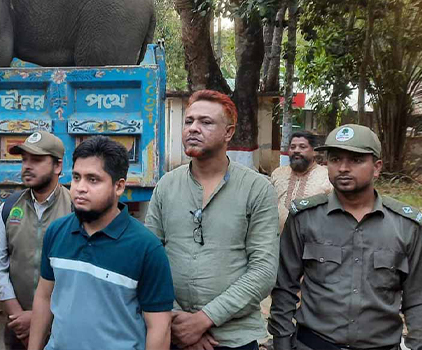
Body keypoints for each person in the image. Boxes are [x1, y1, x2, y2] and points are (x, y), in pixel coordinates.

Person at [145, 90, 279, 350]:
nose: (193, 128)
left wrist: (204, 319)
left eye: (206, 122)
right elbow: (150, 258)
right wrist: (178, 321)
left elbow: (263, 271)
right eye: (189, 121)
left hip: (234, 338)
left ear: (228, 133)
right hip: (171, 332)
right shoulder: (166, 186)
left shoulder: (257, 188)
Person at [268, 124, 421, 350]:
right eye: (335, 159)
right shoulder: (305, 218)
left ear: (377, 167)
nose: (343, 168)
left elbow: (417, 298)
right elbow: (284, 287)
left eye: (356, 160)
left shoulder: (405, 226)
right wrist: (282, 342)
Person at [28, 136, 175, 350]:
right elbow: (43, 297)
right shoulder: (57, 232)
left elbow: (159, 328)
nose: (80, 188)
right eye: (77, 177)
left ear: (119, 186)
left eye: (93, 180)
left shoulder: (146, 248)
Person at [0, 130, 73, 350]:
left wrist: (40, 317)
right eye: (24, 160)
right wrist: (18, 316)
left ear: (58, 166)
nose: (27, 166)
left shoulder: (76, 210)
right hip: (18, 328)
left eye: (36, 160)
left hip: (64, 328)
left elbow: (83, 278)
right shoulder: (7, 209)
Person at [270, 131, 332, 231]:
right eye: (292, 147)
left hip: (312, 240)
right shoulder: (278, 174)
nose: (296, 150)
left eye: (302, 147)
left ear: (314, 151)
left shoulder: (326, 177)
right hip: (277, 239)